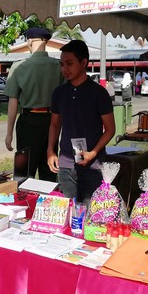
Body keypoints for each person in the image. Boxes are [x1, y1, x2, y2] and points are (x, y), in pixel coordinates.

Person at [47, 40, 115, 205]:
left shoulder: (99, 93)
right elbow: (55, 124)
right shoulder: (59, 93)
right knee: (67, 210)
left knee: (90, 211)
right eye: (62, 64)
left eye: (69, 63)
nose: (65, 68)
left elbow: (110, 129)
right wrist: (50, 151)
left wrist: (93, 152)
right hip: (65, 164)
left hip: (93, 165)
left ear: (84, 63)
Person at [4, 27, 63, 181]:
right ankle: (49, 196)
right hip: (52, 122)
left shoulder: (19, 66)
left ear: (29, 42)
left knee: (24, 173)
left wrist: (9, 133)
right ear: (47, 41)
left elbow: (13, 102)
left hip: (28, 122)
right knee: (49, 169)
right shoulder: (58, 66)